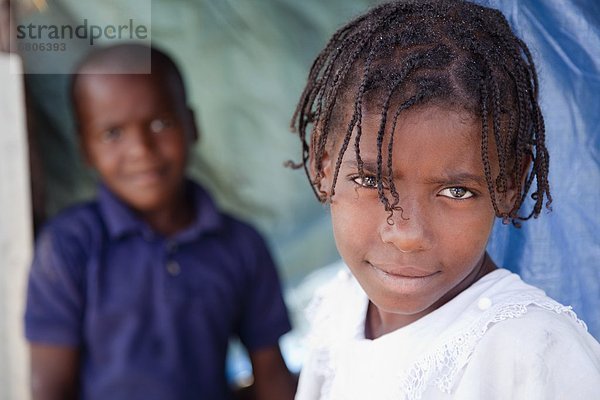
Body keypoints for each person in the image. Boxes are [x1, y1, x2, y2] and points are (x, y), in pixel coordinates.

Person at [288, 1, 600, 399]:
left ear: (509, 185)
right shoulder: (339, 307)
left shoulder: (535, 353)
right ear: (322, 165)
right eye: (369, 179)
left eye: (456, 191)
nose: (406, 235)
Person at [24, 43, 295, 400]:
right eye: (112, 133)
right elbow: (49, 387)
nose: (141, 149)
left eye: (160, 123)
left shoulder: (241, 245)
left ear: (192, 125)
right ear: (86, 149)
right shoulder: (68, 245)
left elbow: (272, 375)